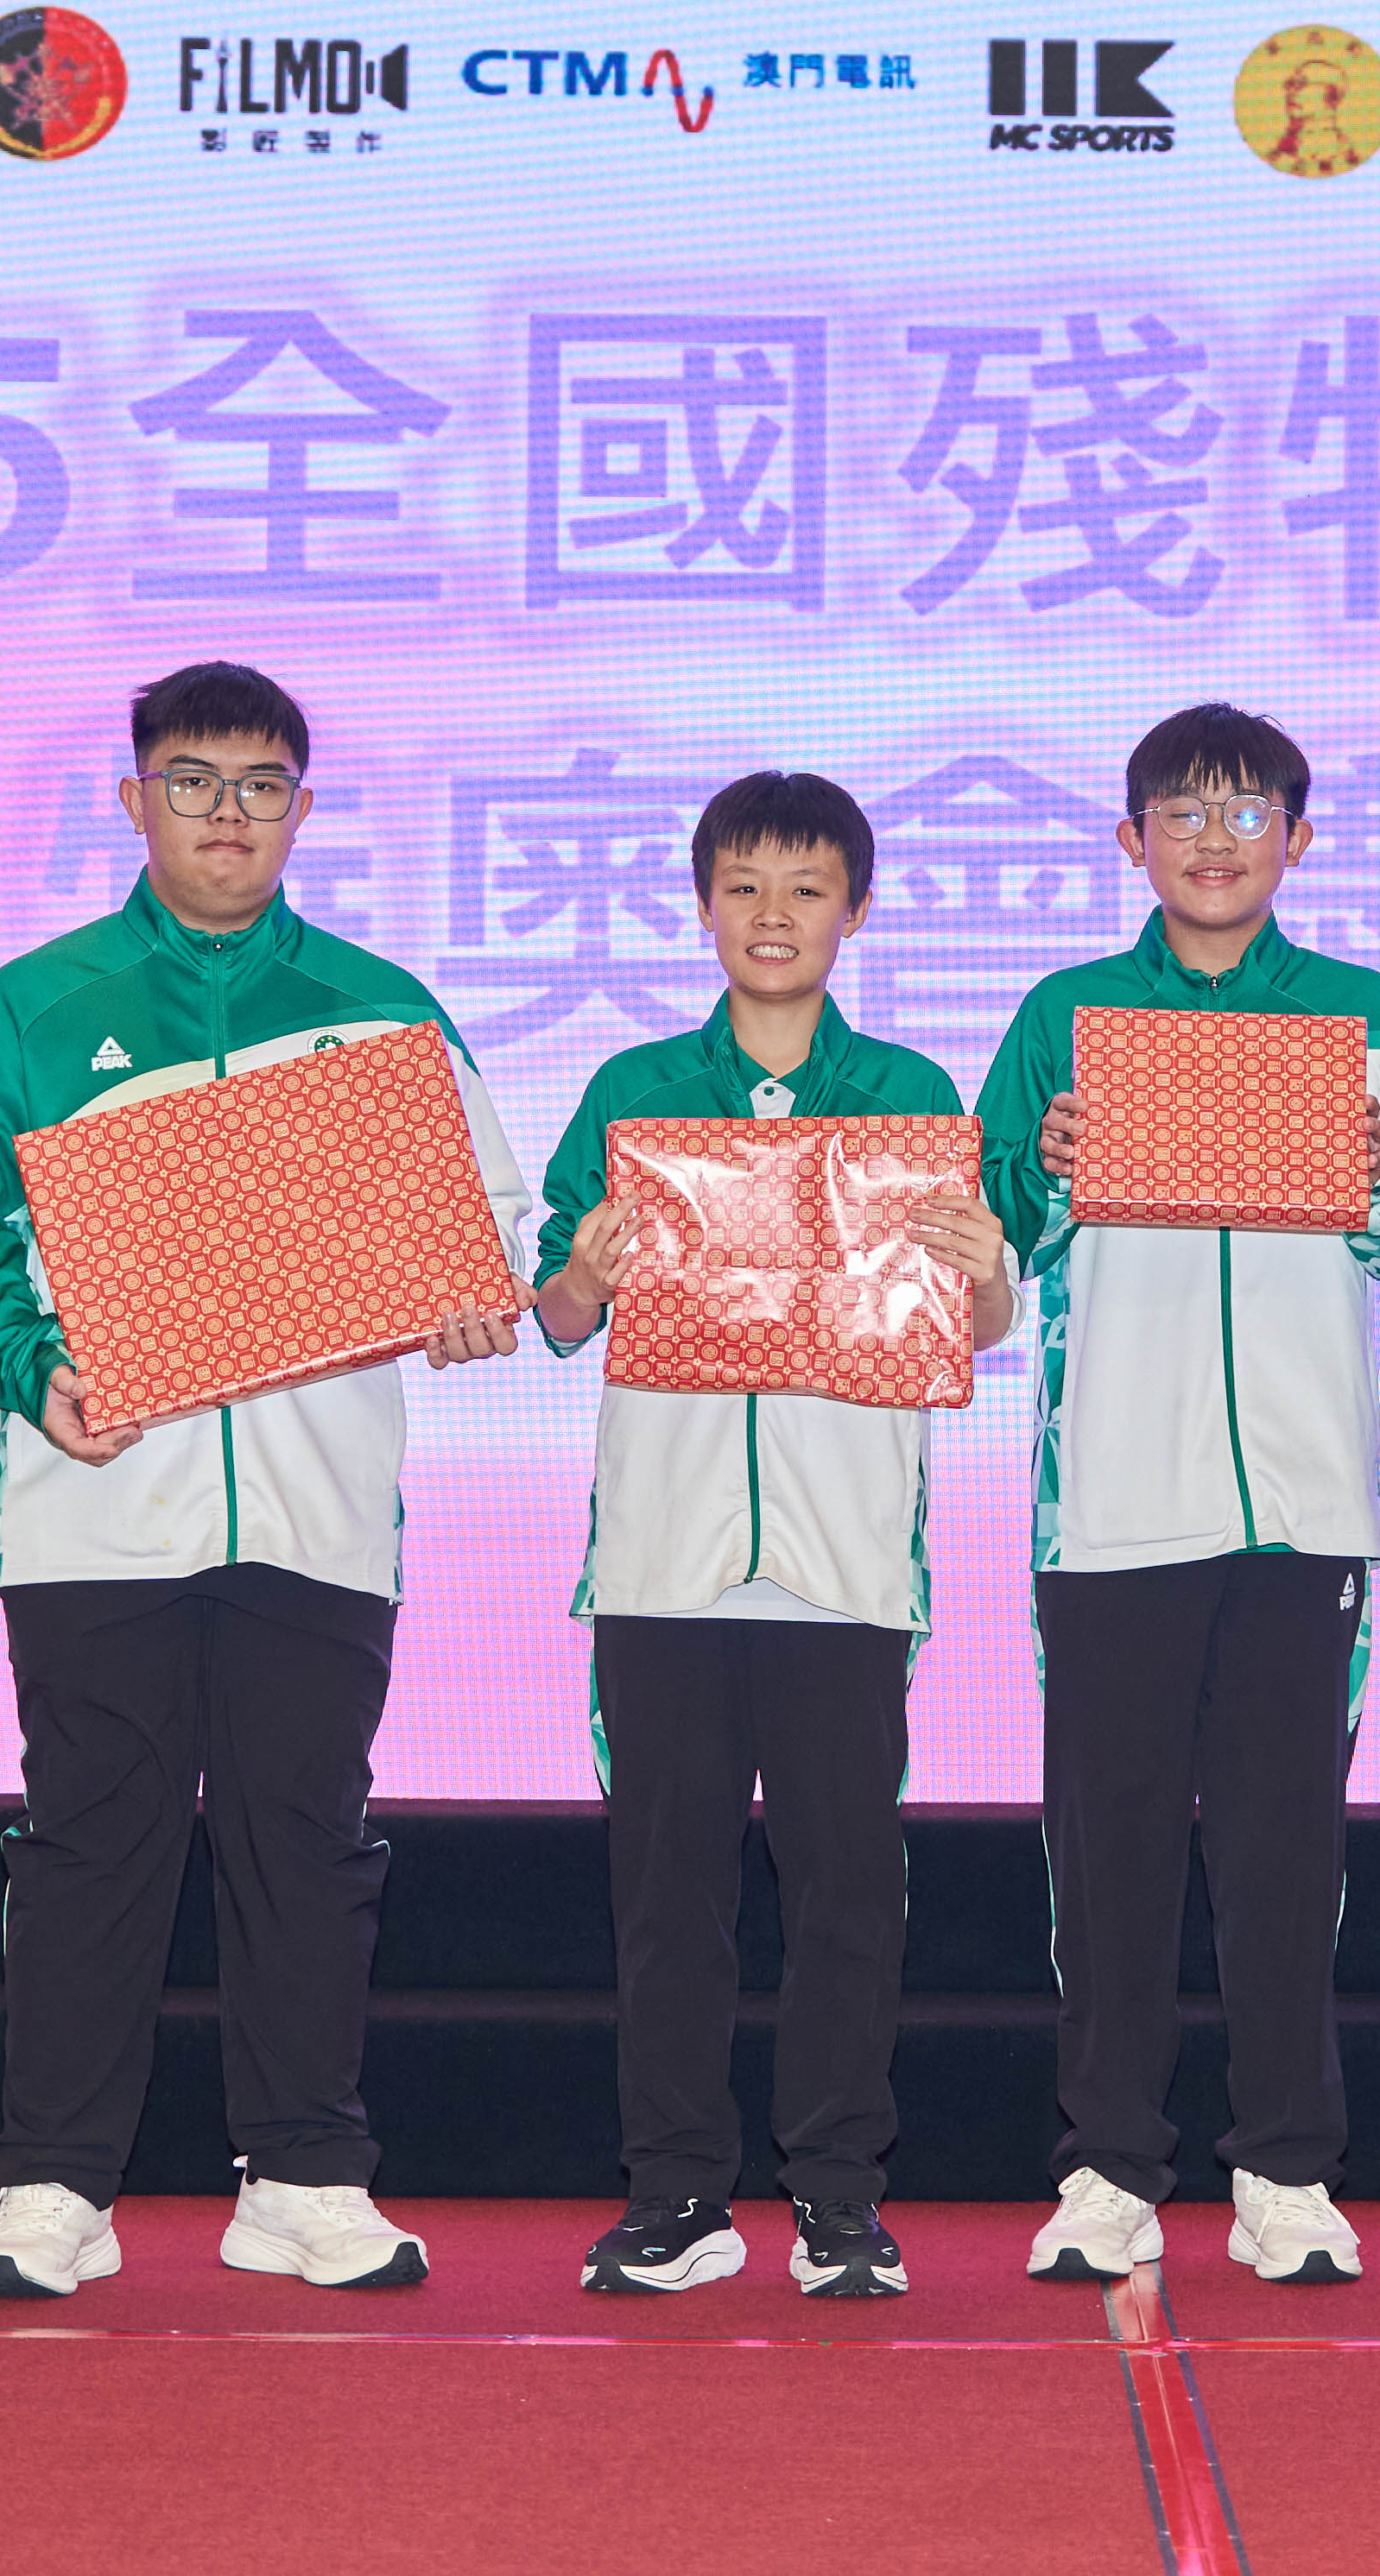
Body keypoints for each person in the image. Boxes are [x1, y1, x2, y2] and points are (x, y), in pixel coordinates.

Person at [0, 663, 537, 2299]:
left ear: (303, 811)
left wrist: (473, 1293)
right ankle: (55, 2185)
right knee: (87, 1851)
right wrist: (34, 1369)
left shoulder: (383, 1011)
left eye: (259, 787)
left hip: (317, 1515)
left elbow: (491, 1220)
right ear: (134, 801)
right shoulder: (32, 1009)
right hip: (96, 1500)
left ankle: (305, 2176)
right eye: (192, 781)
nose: (226, 815)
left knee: (305, 1847)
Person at [977, 704, 1380, 2285]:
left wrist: (1376, 1167)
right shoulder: (1067, 1015)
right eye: (1180, 812)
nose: (1213, 839)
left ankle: (1286, 2168)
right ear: (1132, 842)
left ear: (1296, 840)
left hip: (1304, 1507)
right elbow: (980, 1246)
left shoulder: (1359, 1013)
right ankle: (1107, 2163)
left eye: (1247, 811)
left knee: (1284, 1855)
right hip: (1114, 1499)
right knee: (1107, 1855)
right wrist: (1045, 1169)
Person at [527, 772, 1010, 2301]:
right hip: (663, 1565)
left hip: (843, 1566)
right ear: (702, 907)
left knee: (845, 1901)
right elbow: (555, 1313)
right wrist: (588, 1271)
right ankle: (674, 2193)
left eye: (805, 888)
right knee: (667, 1901)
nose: (773, 916)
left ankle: (838, 2197)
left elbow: (974, 1328)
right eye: (743, 886)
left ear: (854, 910)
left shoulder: (910, 1095)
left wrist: (991, 1269)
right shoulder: (633, 1094)